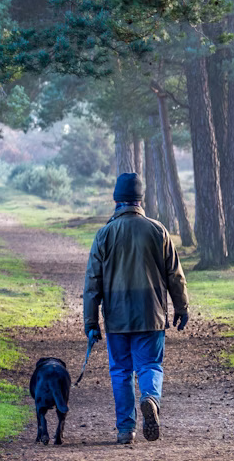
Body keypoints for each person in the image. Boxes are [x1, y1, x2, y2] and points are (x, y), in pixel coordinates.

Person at [83, 172, 189, 445]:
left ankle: (125, 429)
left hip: (117, 318)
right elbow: (175, 276)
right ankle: (150, 398)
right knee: (150, 364)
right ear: (140, 200)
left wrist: (91, 322)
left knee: (120, 371)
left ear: (117, 199)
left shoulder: (105, 234)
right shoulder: (158, 230)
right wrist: (181, 307)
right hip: (151, 315)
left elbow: (92, 283)